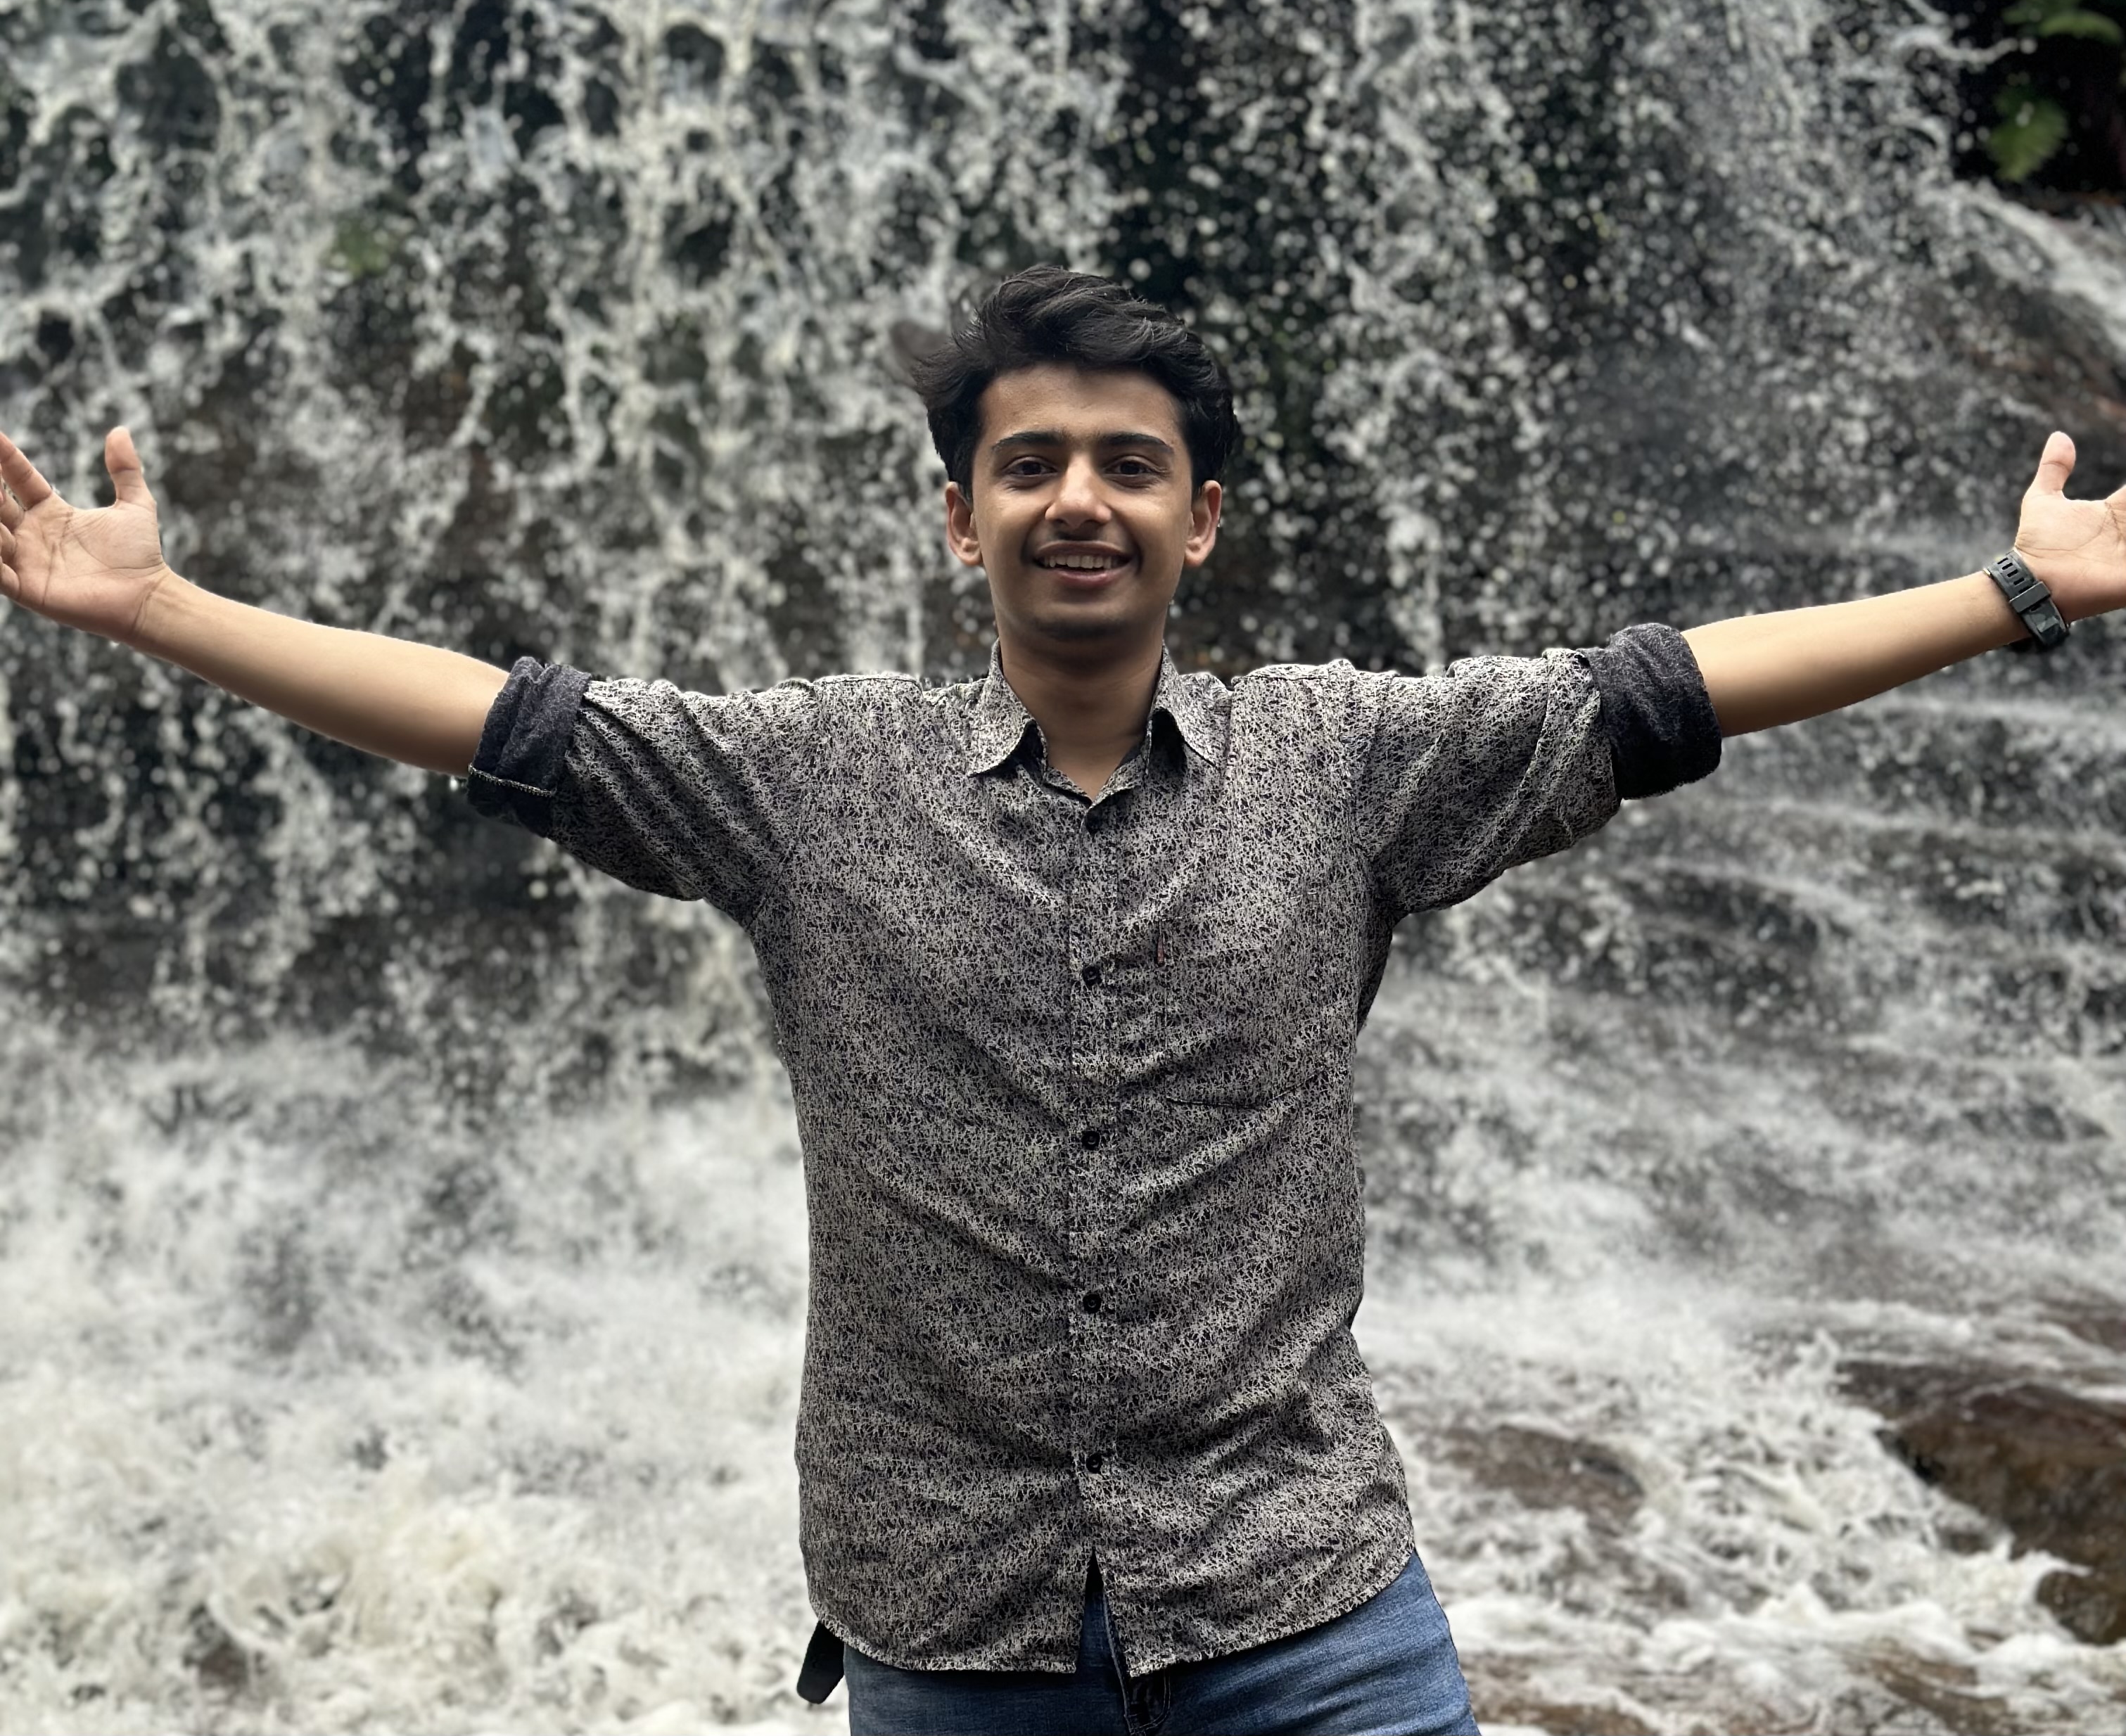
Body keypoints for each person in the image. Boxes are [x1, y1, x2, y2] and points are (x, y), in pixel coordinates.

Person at [1, 262, 2118, 1736]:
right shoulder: (807, 785)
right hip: (954, 1626)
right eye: (1027, 467)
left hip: (1302, 1601)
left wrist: (2018, 591)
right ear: (962, 520)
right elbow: (503, 722)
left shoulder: (1344, 763)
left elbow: (1659, 694)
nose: (1076, 500)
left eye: (1126, 465)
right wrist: (163, 606)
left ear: (1201, 520)